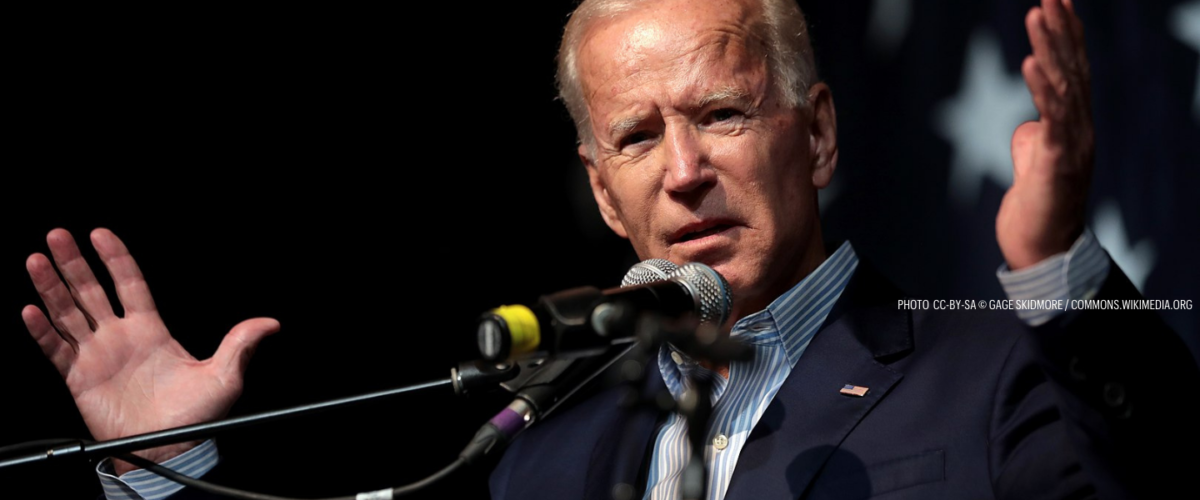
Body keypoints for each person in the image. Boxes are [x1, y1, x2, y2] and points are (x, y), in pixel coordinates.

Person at [15, 0, 1198, 499]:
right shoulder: (547, 452)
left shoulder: (990, 373)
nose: (683, 167)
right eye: (638, 135)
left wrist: (1056, 274)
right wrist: (169, 469)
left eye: (722, 114)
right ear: (604, 193)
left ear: (820, 133)